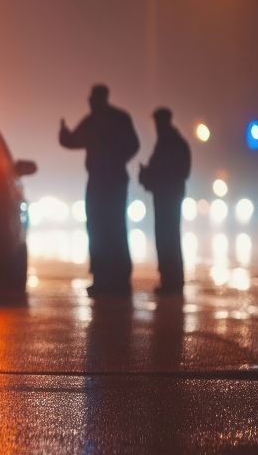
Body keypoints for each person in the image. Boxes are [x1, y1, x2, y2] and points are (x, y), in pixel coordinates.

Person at [59, 84, 140, 297]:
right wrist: (64, 134)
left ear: (101, 97)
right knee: (102, 228)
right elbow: (73, 141)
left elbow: (133, 145)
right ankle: (106, 277)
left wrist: (114, 160)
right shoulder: (100, 120)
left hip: (109, 180)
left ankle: (114, 277)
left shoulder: (108, 119)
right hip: (101, 179)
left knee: (108, 227)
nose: (91, 101)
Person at [138, 108, 191, 295]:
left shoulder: (171, 143)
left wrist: (151, 176)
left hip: (168, 195)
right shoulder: (171, 142)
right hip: (167, 195)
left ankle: (172, 280)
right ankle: (171, 278)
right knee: (168, 236)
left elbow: (179, 171)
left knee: (167, 237)